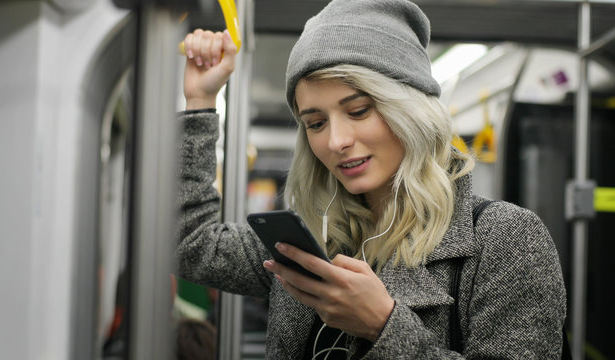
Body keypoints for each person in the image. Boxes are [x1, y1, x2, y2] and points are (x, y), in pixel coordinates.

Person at [176, 0, 567, 358]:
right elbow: (187, 244)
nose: (336, 141)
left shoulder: (505, 240)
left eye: (359, 111)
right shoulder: (312, 238)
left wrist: (383, 326)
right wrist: (199, 101)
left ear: (409, 110)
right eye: (316, 123)